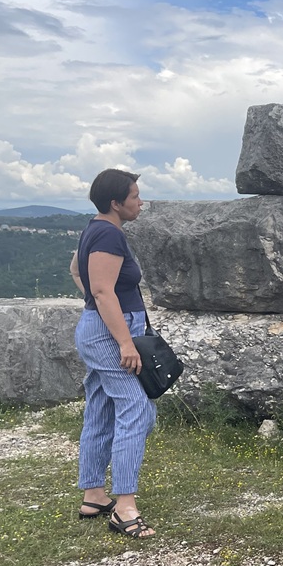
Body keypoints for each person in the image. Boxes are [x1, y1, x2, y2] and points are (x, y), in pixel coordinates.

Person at [68, 168, 157, 539]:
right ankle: (125, 507)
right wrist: (124, 341)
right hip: (111, 333)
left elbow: (77, 270)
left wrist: (94, 300)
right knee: (137, 408)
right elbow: (104, 292)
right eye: (134, 196)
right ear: (115, 203)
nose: (140, 201)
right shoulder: (108, 232)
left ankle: (94, 494)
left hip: (98, 327)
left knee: (102, 406)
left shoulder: (96, 229)